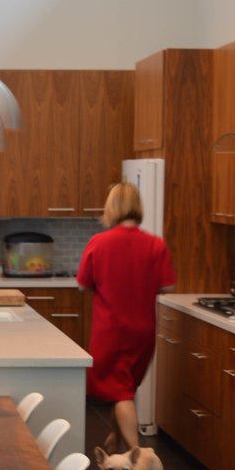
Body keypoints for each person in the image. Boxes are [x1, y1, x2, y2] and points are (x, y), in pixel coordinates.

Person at [76, 182, 175, 452]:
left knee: (119, 391)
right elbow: (167, 286)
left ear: (111, 208)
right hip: (143, 330)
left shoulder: (100, 242)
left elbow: (83, 284)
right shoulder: (156, 244)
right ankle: (115, 438)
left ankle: (136, 455)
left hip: (111, 331)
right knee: (125, 388)